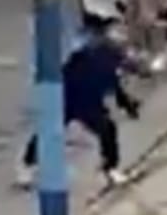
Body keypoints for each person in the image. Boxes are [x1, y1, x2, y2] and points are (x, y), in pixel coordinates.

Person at [16, 15, 140, 189]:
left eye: (122, 34)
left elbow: (114, 85)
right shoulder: (91, 52)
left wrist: (127, 104)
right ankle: (28, 166)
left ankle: (110, 169)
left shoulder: (113, 57)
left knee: (106, 129)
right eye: (118, 33)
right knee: (49, 131)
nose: (121, 37)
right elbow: (71, 70)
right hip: (71, 96)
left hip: (88, 101)